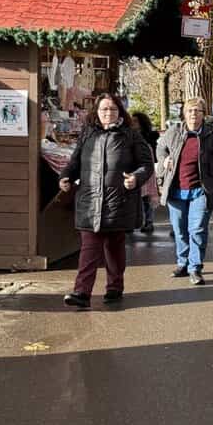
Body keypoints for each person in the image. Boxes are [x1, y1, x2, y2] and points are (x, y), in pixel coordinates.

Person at [59, 92, 153, 308]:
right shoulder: (88, 134)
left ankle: (114, 287)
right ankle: (81, 293)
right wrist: (65, 176)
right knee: (89, 248)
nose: (108, 113)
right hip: (90, 200)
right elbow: (75, 162)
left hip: (118, 201)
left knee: (114, 248)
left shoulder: (130, 135)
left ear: (119, 111)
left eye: (112, 109)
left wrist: (136, 178)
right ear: (97, 112)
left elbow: (146, 164)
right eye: (104, 109)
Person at [156, 97, 213, 284]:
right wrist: (164, 161)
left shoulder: (210, 136)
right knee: (179, 230)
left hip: (200, 191)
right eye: (190, 111)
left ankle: (195, 267)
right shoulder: (173, 132)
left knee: (197, 229)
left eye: (197, 111)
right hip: (176, 191)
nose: (193, 114)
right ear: (184, 113)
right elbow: (160, 149)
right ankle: (183, 262)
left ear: (203, 114)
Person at [131, 107, 160, 234]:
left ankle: (149, 222)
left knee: (147, 197)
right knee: (134, 197)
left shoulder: (148, 138)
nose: (133, 124)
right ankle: (133, 222)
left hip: (146, 170)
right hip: (133, 169)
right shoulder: (128, 135)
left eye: (135, 121)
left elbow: (154, 155)